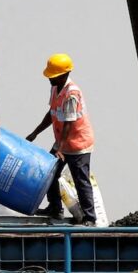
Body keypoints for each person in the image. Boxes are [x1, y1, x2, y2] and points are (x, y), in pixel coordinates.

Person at [26, 53, 96, 225]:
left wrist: (59, 149)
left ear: (64, 74)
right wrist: (35, 132)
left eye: (54, 76)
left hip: (78, 144)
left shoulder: (72, 94)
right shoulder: (56, 88)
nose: (50, 80)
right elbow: (52, 114)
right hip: (63, 143)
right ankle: (55, 208)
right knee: (50, 174)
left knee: (81, 180)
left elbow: (69, 124)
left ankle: (89, 217)